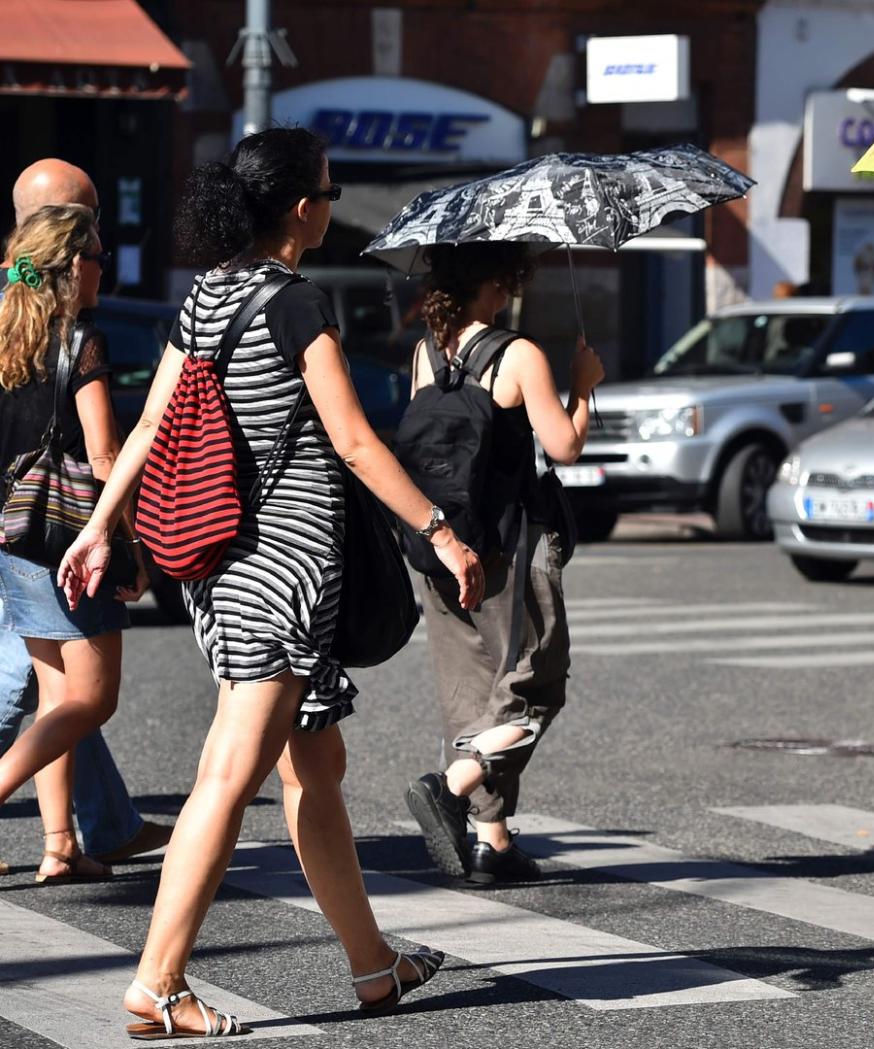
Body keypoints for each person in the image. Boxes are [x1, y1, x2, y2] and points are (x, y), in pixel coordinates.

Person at [58, 128, 485, 1035]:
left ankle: (373, 963)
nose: (331, 206)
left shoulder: (207, 295)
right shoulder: (295, 303)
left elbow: (147, 428)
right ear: (300, 208)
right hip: (284, 569)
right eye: (329, 193)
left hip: (220, 565)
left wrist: (100, 528)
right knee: (227, 773)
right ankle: (158, 979)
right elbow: (355, 441)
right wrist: (441, 532)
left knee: (315, 768)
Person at [401, 242, 602, 885]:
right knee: (535, 682)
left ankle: (493, 841)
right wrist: (583, 389)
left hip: (443, 546)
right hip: (511, 546)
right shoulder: (518, 354)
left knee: (470, 691)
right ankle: (450, 786)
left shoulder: (427, 352)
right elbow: (564, 446)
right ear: (496, 282)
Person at [0, 159, 171, 870]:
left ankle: (59, 845)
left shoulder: (7, 331)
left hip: (14, 535)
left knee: (55, 697)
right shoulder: (79, 338)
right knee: (92, 701)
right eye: (97, 256)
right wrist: (132, 544)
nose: (104, 268)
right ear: (74, 266)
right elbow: (105, 456)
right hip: (70, 537)